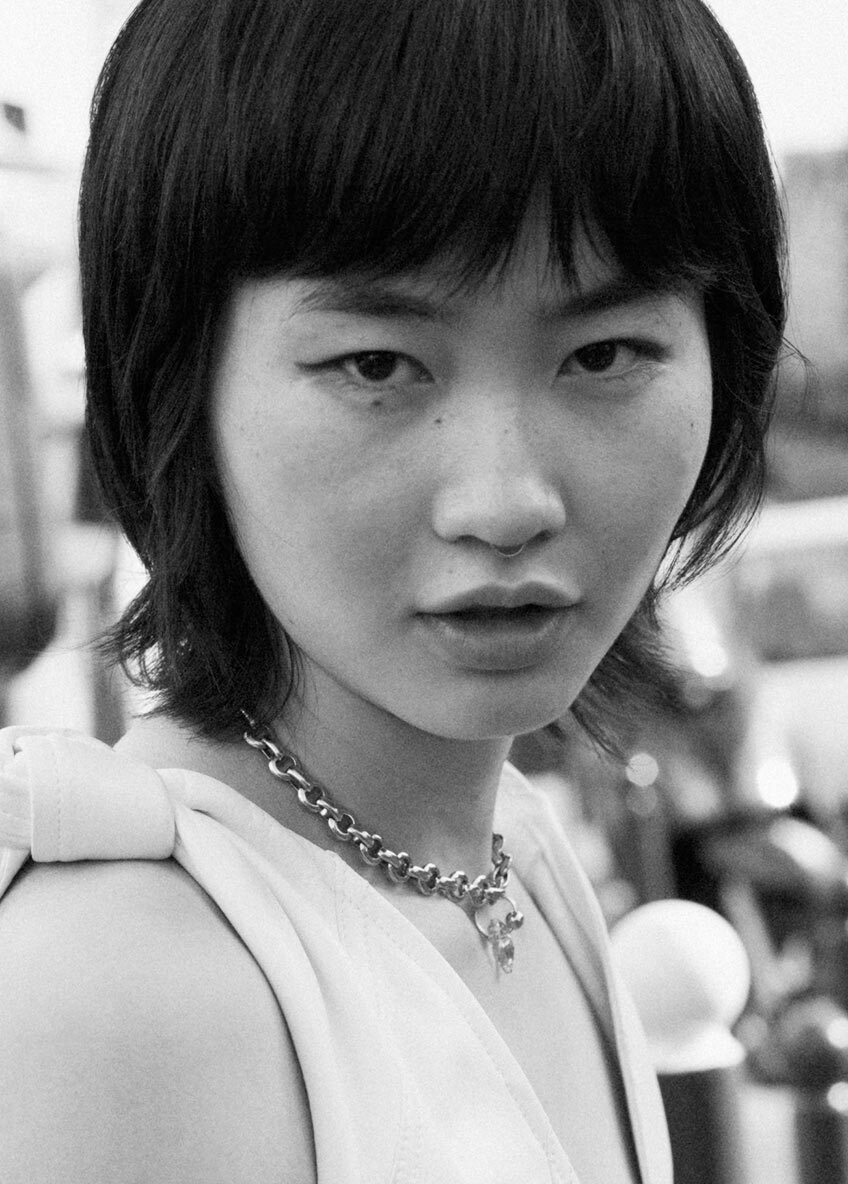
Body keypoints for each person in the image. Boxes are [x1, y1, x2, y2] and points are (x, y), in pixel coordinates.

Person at [0, 0, 785, 1179]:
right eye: (376, 364)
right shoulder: (122, 993)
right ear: (175, 377)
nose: (504, 501)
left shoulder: (513, 851)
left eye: (603, 352)